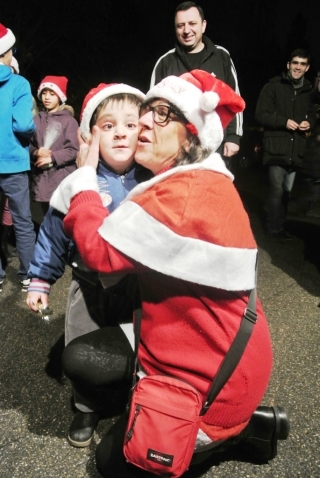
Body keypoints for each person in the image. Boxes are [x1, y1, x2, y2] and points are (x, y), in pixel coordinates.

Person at [51, 70, 290, 477]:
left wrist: (86, 177)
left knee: (111, 463)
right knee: (78, 356)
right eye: (146, 110)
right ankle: (231, 424)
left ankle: (235, 432)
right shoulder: (199, 179)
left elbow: (98, 252)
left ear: (191, 137)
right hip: (204, 352)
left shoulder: (183, 196)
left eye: (162, 114)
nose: (143, 121)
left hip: (214, 385)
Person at [26, 83, 149, 447]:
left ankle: (136, 403)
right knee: (82, 342)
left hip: (136, 287)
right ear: (88, 136)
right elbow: (53, 233)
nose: (121, 133)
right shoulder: (77, 182)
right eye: (108, 126)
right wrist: (40, 280)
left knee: (139, 347)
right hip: (89, 285)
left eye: (130, 123)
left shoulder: (153, 180)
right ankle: (87, 406)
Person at [150, 1, 242, 161]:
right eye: (180, 25)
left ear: (203, 25)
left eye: (192, 23)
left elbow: (234, 99)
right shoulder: (165, 62)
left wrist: (234, 137)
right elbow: (152, 106)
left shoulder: (222, 57)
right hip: (175, 146)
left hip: (216, 145)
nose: (186, 30)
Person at [255, 48, 314, 241]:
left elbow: (313, 115)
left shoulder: (310, 91)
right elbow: (260, 114)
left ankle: (279, 227)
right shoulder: (273, 86)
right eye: (295, 63)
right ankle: (272, 230)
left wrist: (309, 123)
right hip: (276, 148)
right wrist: (284, 122)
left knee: (287, 192)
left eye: (302, 64)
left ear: (307, 68)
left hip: (296, 150)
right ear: (288, 65)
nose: (298, 67)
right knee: (277, 189)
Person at [0, 23, 36, 293]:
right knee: (23, 222)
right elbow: (23, 125)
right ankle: (27, 276)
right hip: (13, 163)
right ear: (8, 51)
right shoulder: (18, 84)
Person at [29, 76, 79, 216]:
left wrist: (52, 158)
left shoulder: (69, 121)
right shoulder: (36, 120)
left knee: (61, 219)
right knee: (46, 217)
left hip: (60, 178)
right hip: (41, 179)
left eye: (52, 94)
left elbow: (74, 149)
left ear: (60, 96)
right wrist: (35, 152)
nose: (47, 97)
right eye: (44, 93)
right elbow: (28, 145)